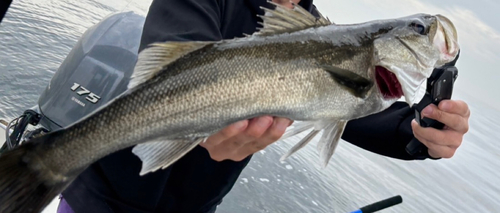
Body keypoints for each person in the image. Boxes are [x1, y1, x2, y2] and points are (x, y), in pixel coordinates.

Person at [58, 0, 471, 212]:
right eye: (417, 31)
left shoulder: (323, 34)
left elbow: (361, 109)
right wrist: (207, 126)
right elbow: (180, 74)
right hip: (103, 198)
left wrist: (420, 134)